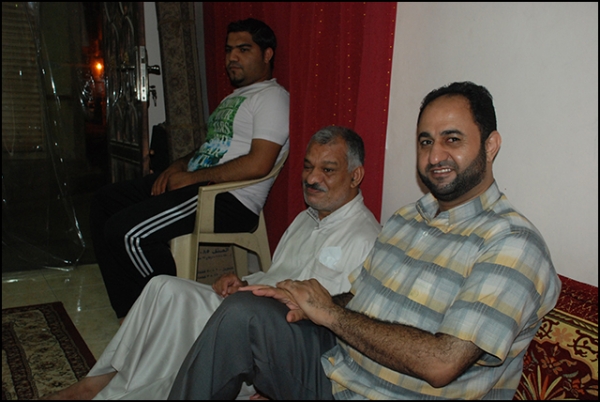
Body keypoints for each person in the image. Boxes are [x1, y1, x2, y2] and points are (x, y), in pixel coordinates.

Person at [167, 81, 562, 400]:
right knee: (244, 311)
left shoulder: (511, 244)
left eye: (453, 140)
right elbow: (359, 300)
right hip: (340, 375)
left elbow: (443, 363)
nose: (435, 155)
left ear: (490, 146)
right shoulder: (407, 219)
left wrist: (331, 314)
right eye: (426, 141)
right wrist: (307, 302)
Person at [42, 125, 381, 400]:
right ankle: (99, 382)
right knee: (162, 288)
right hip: (251, 302)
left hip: (272, 333)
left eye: (327, 170)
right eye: (308, 166)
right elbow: (276, 275)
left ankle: (114, 391)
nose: (311, 178)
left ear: (355, 176)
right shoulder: (307, 219)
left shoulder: (364, 237)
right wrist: (243, 282)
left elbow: (337, 327)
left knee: (176, 332)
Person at [90, 18, 290, 321]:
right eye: (229, 50)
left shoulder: (272, 98)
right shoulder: (235, 97)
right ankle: (129, 311)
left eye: (243, 49)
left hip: (227, 200)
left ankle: (170, 311)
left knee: (128, 233)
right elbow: (210, 148)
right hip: (200, 185)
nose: (232, 57)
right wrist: (178, 166)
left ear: (267, 54)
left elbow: (259, 163)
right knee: (104, 202)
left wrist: (192, 178)